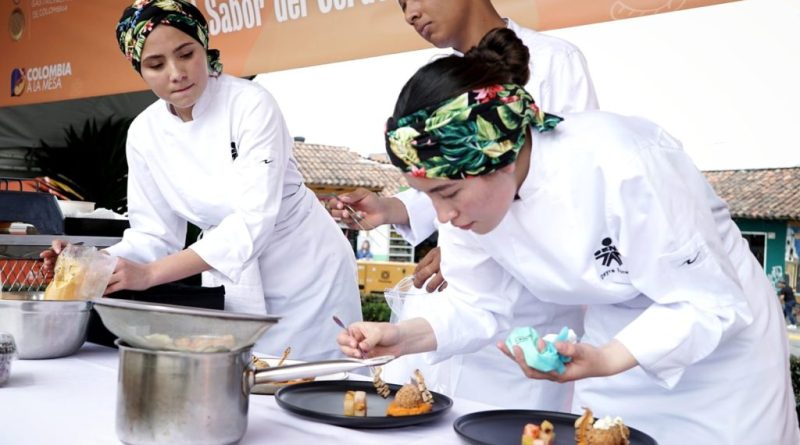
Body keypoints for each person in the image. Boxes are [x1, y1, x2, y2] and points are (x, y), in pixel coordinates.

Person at [337, 28, 799, 444]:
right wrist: (400, 336)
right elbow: (478, 304)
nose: (444, 216)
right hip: (611, 342)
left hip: (722, 357)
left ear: (497, 155)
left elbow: (707, 302)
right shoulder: (474, 209)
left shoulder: (624, 161)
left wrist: (607, 358)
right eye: (428, 197)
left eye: (448, 192)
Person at [40, 0, 361, 361]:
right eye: (156, 64)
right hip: (233, 280)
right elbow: (154, 235)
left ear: (203, 45)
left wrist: (149, 275)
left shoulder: (251, 104)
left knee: (315, 386)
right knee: (245, 388)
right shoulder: (145, 132)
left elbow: (253, 222)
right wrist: (89, 263)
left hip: (307, 270)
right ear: (139, 70)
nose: (176, 73)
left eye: (186, 53)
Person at [333, 0, 595, 410]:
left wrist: (474, 236)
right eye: (401, 5)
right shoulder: (437, 81)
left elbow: (566, 185)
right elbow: (447, 182)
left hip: (531, 316)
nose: (410, 14)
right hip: (460, 298)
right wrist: (393, 210)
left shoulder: (555, 62)